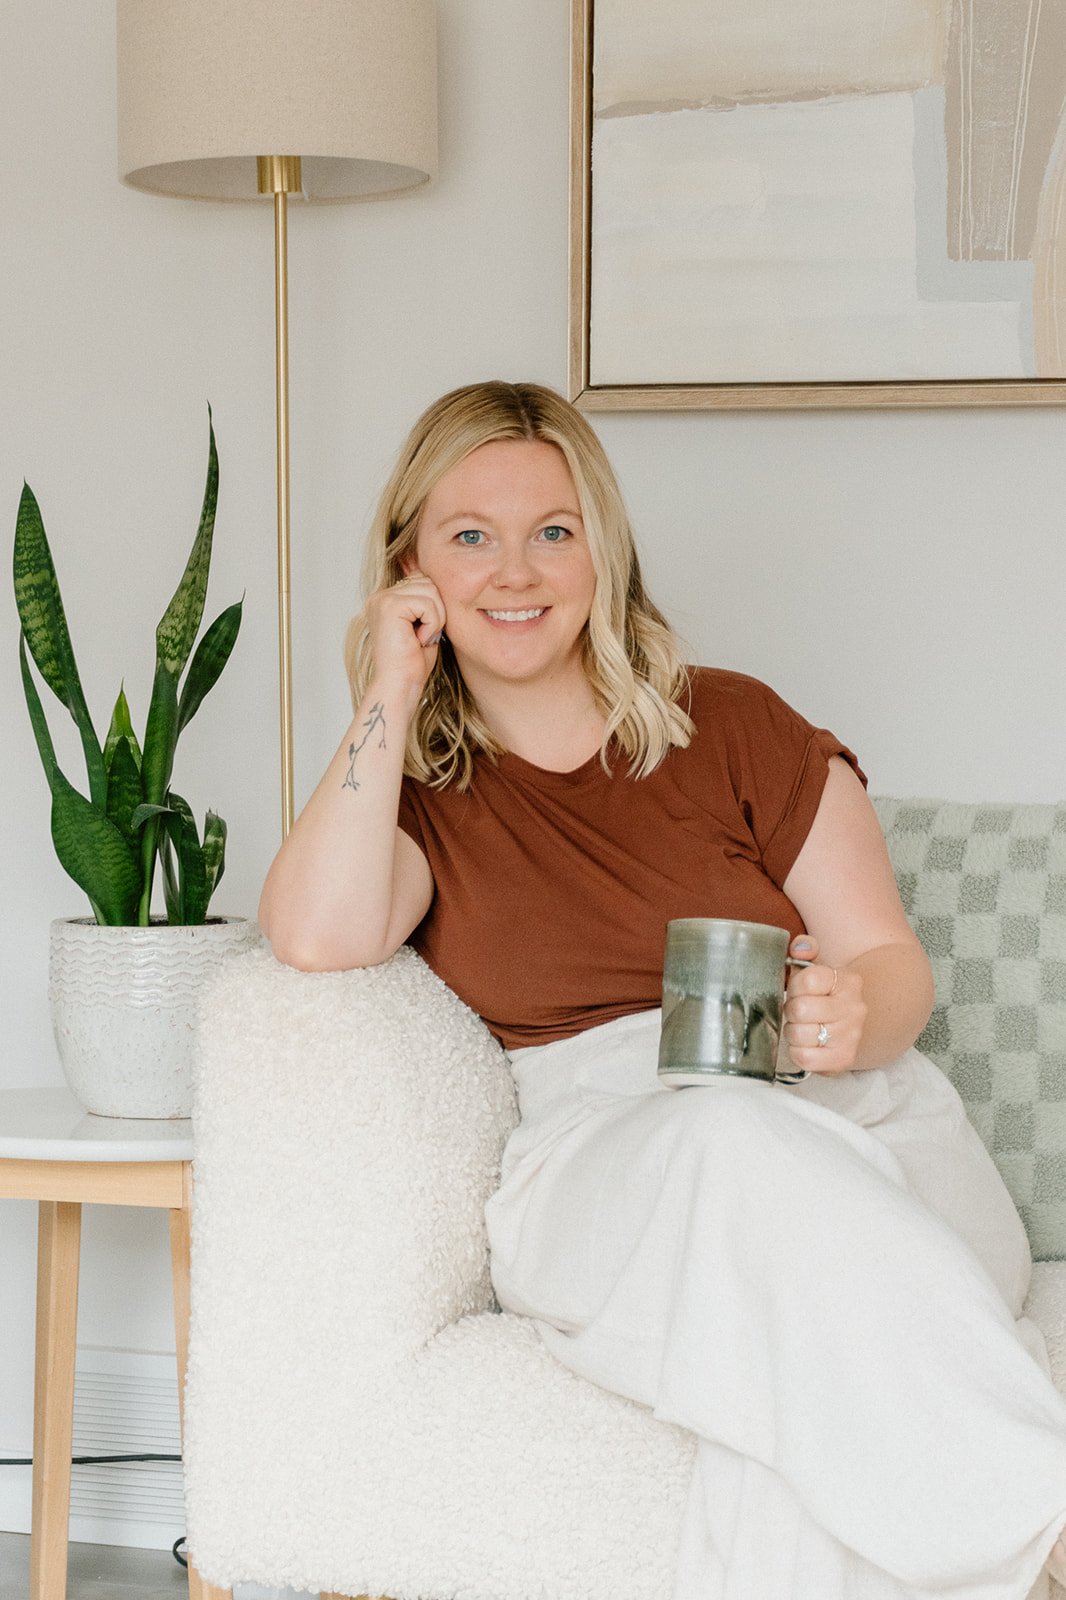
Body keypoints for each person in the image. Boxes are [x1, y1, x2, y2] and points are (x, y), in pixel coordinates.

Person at [259, 380, 1066, 1599]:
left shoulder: (734, 725)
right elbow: (314, 937)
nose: (513, 569)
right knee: (721, 1138)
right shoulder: (415, 792)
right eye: (467, 535)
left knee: (783, 1422)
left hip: (852, 1126)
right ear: (409, 570)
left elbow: (891, 962)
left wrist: (856, 1018)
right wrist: (388, 689)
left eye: (553, 530)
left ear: (603, 551)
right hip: (614, 1159)